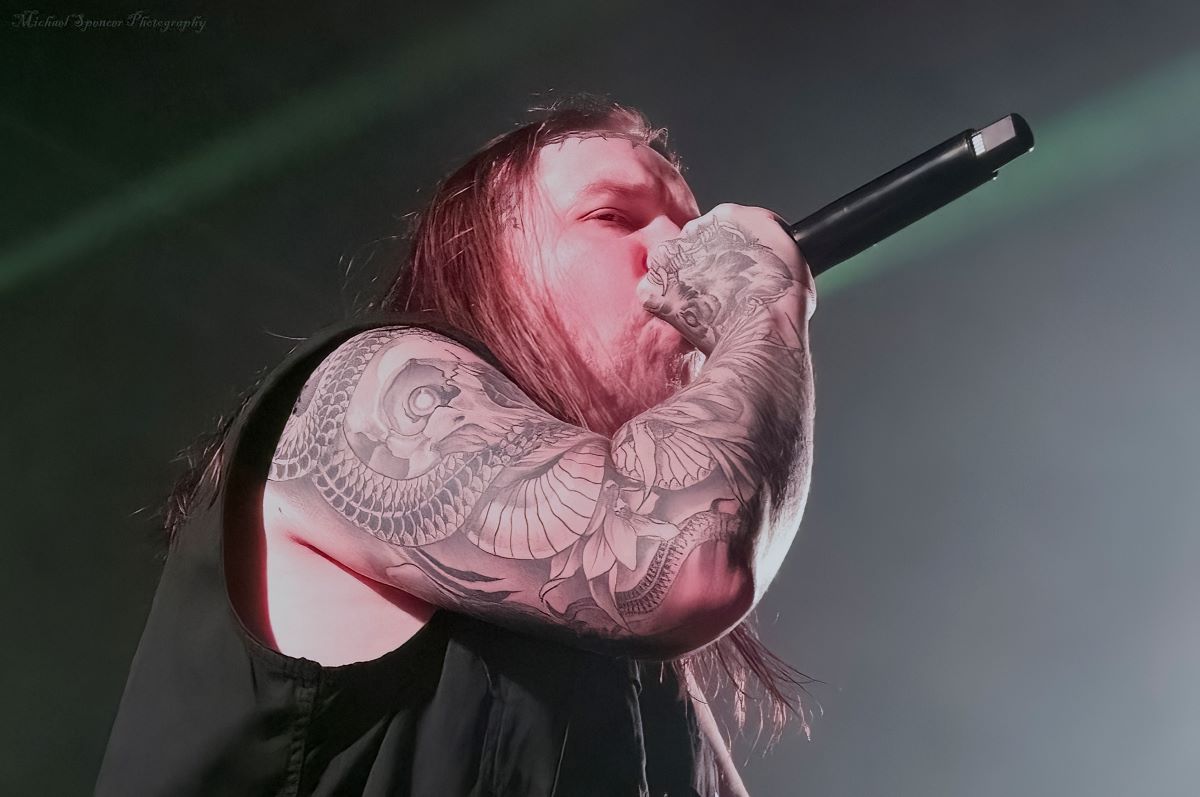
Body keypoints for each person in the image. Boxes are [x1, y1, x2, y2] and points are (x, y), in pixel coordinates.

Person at [97, 98, 816, 796]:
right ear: (488, 267)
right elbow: (685, 563)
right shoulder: (371, 390)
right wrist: (762, 295)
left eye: (692, 232)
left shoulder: (650, 679)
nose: (682, 257)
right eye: (611, 216)